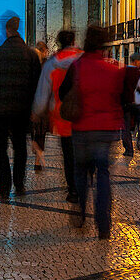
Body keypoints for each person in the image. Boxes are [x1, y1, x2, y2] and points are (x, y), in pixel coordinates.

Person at [58, 27, 125, 238]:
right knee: (103, 175)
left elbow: (62, 92)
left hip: (82, 128)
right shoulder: (113, 69)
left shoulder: (77, 66)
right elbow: (122, 99)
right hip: (105, 130)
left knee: (80, 171)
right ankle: (103, 224)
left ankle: (80, 211)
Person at [0, 12, 41, 200]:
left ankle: (5, 188)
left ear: (7, 30)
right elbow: (37, 84)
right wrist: (33, 108)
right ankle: (20, 184)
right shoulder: (31, 55)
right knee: (20, 147)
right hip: (22, 110)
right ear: (18, 30)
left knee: (1, 149)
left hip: (0, 112)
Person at [32, 30, 82, 202]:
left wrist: (37, 111)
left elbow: (43, 91)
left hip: (62, 115)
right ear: (74, 40)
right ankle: (85, 182)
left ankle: (73, 190)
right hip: (84, 114)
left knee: (69, 155)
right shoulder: (83, 58)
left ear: (59, 43)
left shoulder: (52, 63)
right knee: (82, 152)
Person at [30, 40, 50, 169]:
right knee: (41, 134)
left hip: (32, 103)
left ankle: (35, 148)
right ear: (44, 51)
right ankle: (37, 160)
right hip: (43, 104)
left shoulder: (29, 64)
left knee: (34, 132)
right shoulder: (46, 65)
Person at [122, 53, 140, 157]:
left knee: (126, 127)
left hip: (126, 103)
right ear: (135, 61)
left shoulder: (124, 72)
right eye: (139, 61)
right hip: (138, 103)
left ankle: (129, 150)